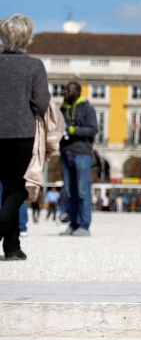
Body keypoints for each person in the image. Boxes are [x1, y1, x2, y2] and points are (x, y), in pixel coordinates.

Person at [0, 14, 51, 260]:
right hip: (21, 134)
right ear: (26, 37)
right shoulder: (34, 65)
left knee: (6, 190)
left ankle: (12, 248)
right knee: (19, 188)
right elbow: (41, 104)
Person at [57, 81, 97, 237]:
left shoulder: (87, 108)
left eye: (68, 90)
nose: (65, 92)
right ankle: (72, 224)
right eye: (65, 89)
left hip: (82, 153)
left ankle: (84, 225)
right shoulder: (62, 109)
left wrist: (72, 129)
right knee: (68, 191)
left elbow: (93, 129)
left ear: (78, 92)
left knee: (82, 191)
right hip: (65, 152)